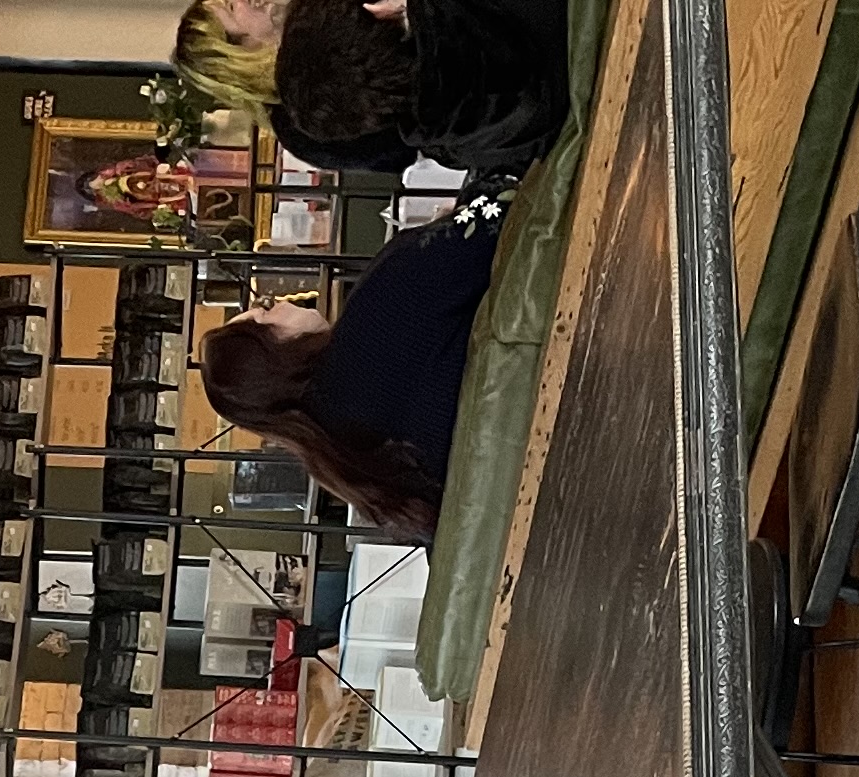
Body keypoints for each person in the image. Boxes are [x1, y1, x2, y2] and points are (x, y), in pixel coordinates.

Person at [195, 193, 507, 537]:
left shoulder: (346, 465)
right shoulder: (380, 309)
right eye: (266, 309)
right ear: (275, 352)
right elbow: (502, 209)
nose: (279, 302)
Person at [170, 0, 569, 185]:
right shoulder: (307, 115)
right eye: (231, 6)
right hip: (507, 90)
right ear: (234, 54)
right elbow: (403, 134)